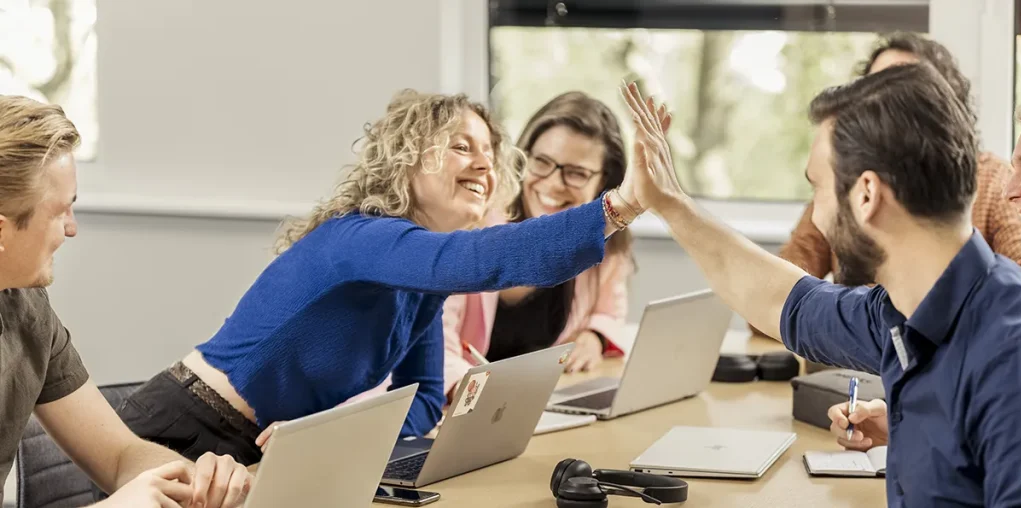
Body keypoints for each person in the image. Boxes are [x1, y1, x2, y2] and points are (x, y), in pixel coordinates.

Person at [117, 88, 655, 466]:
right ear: (406, 158)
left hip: (261, 450)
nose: (484, 167)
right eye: (462, 146)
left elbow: (421, 401)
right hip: (183, 429)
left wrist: (330, 437)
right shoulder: (360, 238)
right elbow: (480, 261)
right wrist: (621, 205)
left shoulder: (422, 283)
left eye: (490, 156)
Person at [621, 60, 1021, 507]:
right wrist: (669, 202)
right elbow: (779, 299)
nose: (815, 215)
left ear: (866, 195)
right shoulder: (900, 313)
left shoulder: (1010, 357)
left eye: (818, 188)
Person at [0, 95, 251, 507]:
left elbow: (120, 455)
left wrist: (195, 481)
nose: (72, 229)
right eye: (60, 213)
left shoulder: (28, 308)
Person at [770, 32, 1021, 288]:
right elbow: (781, 292)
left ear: (946, 107)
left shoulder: (997, 184)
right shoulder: (842, 182)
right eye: (874, 92)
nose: (885, 106)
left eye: (904, 92)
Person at [444, 91, 633, 388]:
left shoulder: (605, 242)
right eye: (542, 162)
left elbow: (609, 312)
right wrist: (473, 392)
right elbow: (435, 350)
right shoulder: (470, 229)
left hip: (537, 405)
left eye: (576, 173)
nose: (554, 184)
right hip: (460, 409)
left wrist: (593, 336)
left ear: (604, 182)